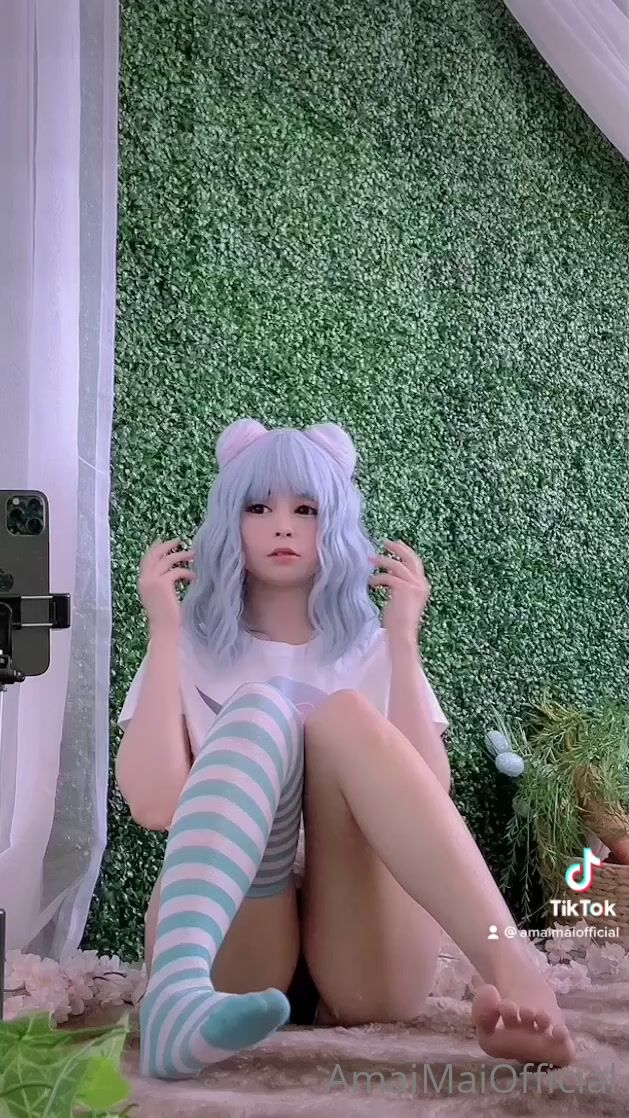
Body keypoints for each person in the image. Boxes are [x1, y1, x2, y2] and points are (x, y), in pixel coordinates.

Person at [115, 418, 575, 1081]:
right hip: (231, 937)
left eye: (306, 510)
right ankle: (177, 1002)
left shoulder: (371, 651)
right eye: (258, 507)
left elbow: (428, 793)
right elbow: (156, 804)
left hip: (366, 949)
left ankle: (519, 976)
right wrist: (164, 632)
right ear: (228, 521)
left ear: (334, 523)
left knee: (344, 718)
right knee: (259, 712)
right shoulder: (187, 651)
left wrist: (402, 642)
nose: (282, 526)